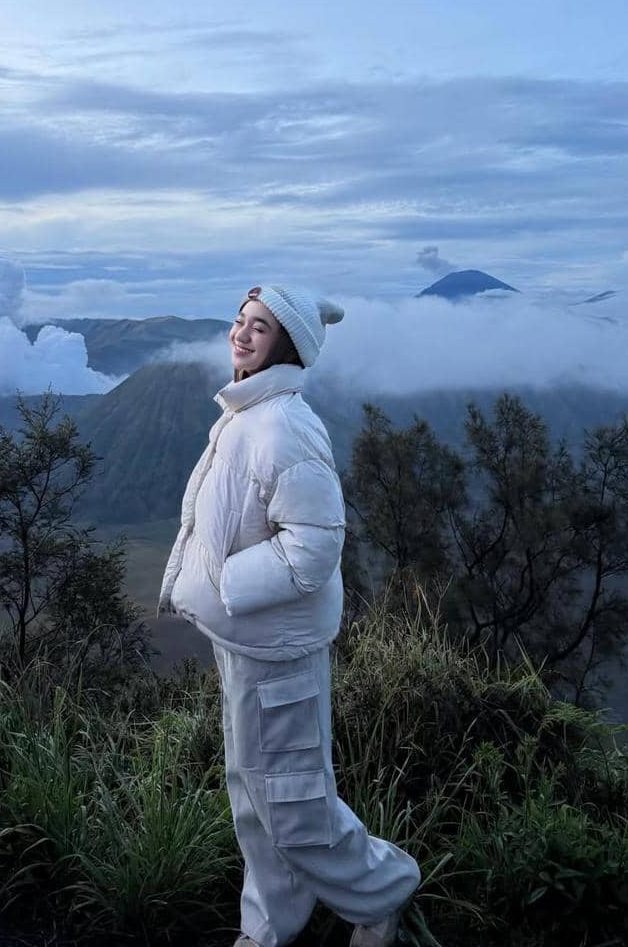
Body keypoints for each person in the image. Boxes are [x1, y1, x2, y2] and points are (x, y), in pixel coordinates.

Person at [157, 283, 421, 947]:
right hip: (248, 642)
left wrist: (225, 583)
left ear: (290, 344)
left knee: (293, 800)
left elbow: (315, 545)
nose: (241, 335)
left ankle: (382, 894)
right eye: (241, 321)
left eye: (261, 327)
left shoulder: (284, 426)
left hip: (278, 648)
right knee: (254, 794)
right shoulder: (246, 415)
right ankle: (272, 924)